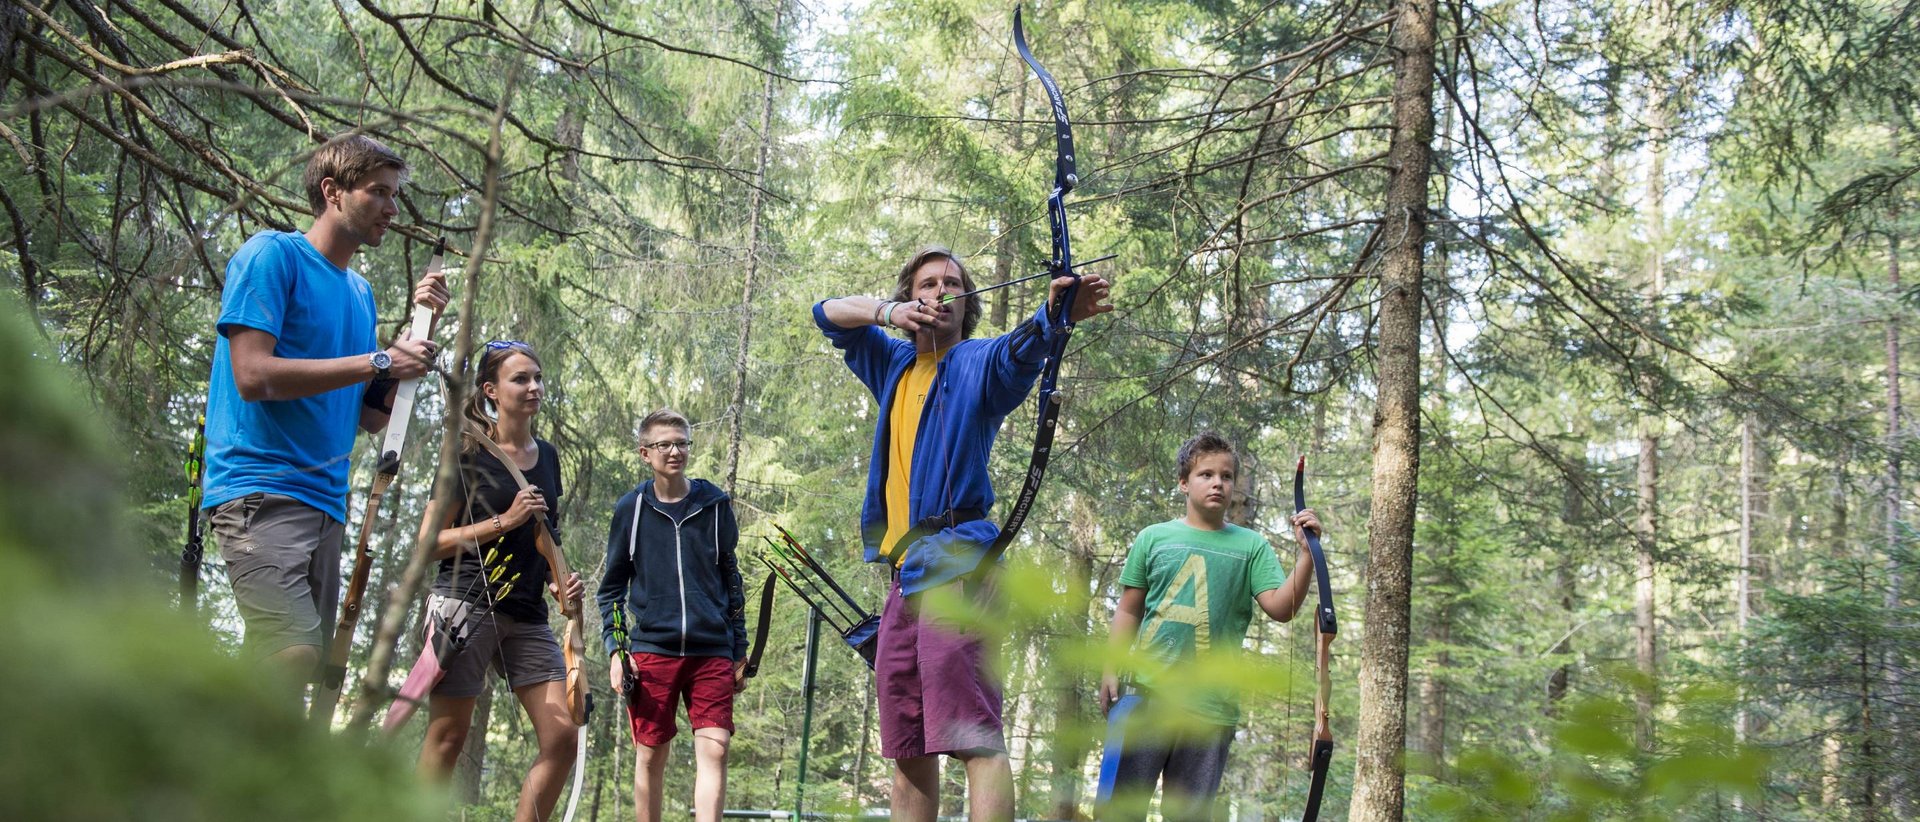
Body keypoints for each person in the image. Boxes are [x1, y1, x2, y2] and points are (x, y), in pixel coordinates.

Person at [811, 246, 1113, 821]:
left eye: (954, 284)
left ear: (968, 305)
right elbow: (825, 313)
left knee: (973, 734)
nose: (941, 291)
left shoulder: (978, 362)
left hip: (959, 565)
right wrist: (886, 312)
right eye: (928, 283)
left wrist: (1057, 316)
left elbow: (1023, 350)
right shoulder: (892, 363)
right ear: (910, 296)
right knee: (907, 746)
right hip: (906, 577)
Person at [201, 134, 449, 697]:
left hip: (325, 504)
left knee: (291, 674)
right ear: (333, 192)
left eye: (394, 196)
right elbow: (254, 375)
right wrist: (383, 357)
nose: (391, 208)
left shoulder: (359, 293)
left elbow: (366, 417)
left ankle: (235, 780)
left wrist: (413, 337)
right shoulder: (273, 255)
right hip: (258, 491)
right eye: (378, 193)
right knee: (291, 650)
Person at [1096, 433, 1323, 821]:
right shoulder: (1154, 538)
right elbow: (1130, 611)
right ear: (1184, 482)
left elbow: (1281, 608)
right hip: (1148, 698)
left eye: (1227, 476)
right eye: (1206, 474)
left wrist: (1306, 554)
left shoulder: (1252, 547)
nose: (1218, 482)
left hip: (1211, 711)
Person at [414, 341, 584, 821]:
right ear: (491, 391)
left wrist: (561, 582)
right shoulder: (466, 453)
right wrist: (502, 521)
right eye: (520, 379)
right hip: (464, 606)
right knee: (447, 739)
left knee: (562, 739)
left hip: (527, 613)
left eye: (537, 377)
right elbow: (428, 544)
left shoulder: (547, 457)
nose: (534, 387)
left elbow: (545, 536)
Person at [596, 409, 747, 822]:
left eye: (681, 442)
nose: (675, 450)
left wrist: (740, 648)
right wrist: (616, 650)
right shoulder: (631, 509)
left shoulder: (714, 505)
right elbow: (611, 589)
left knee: (716, 748)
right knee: (649, 754)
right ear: (645, 453)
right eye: (664, 444)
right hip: (651, 649)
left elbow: (732, 580)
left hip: (712, 648)